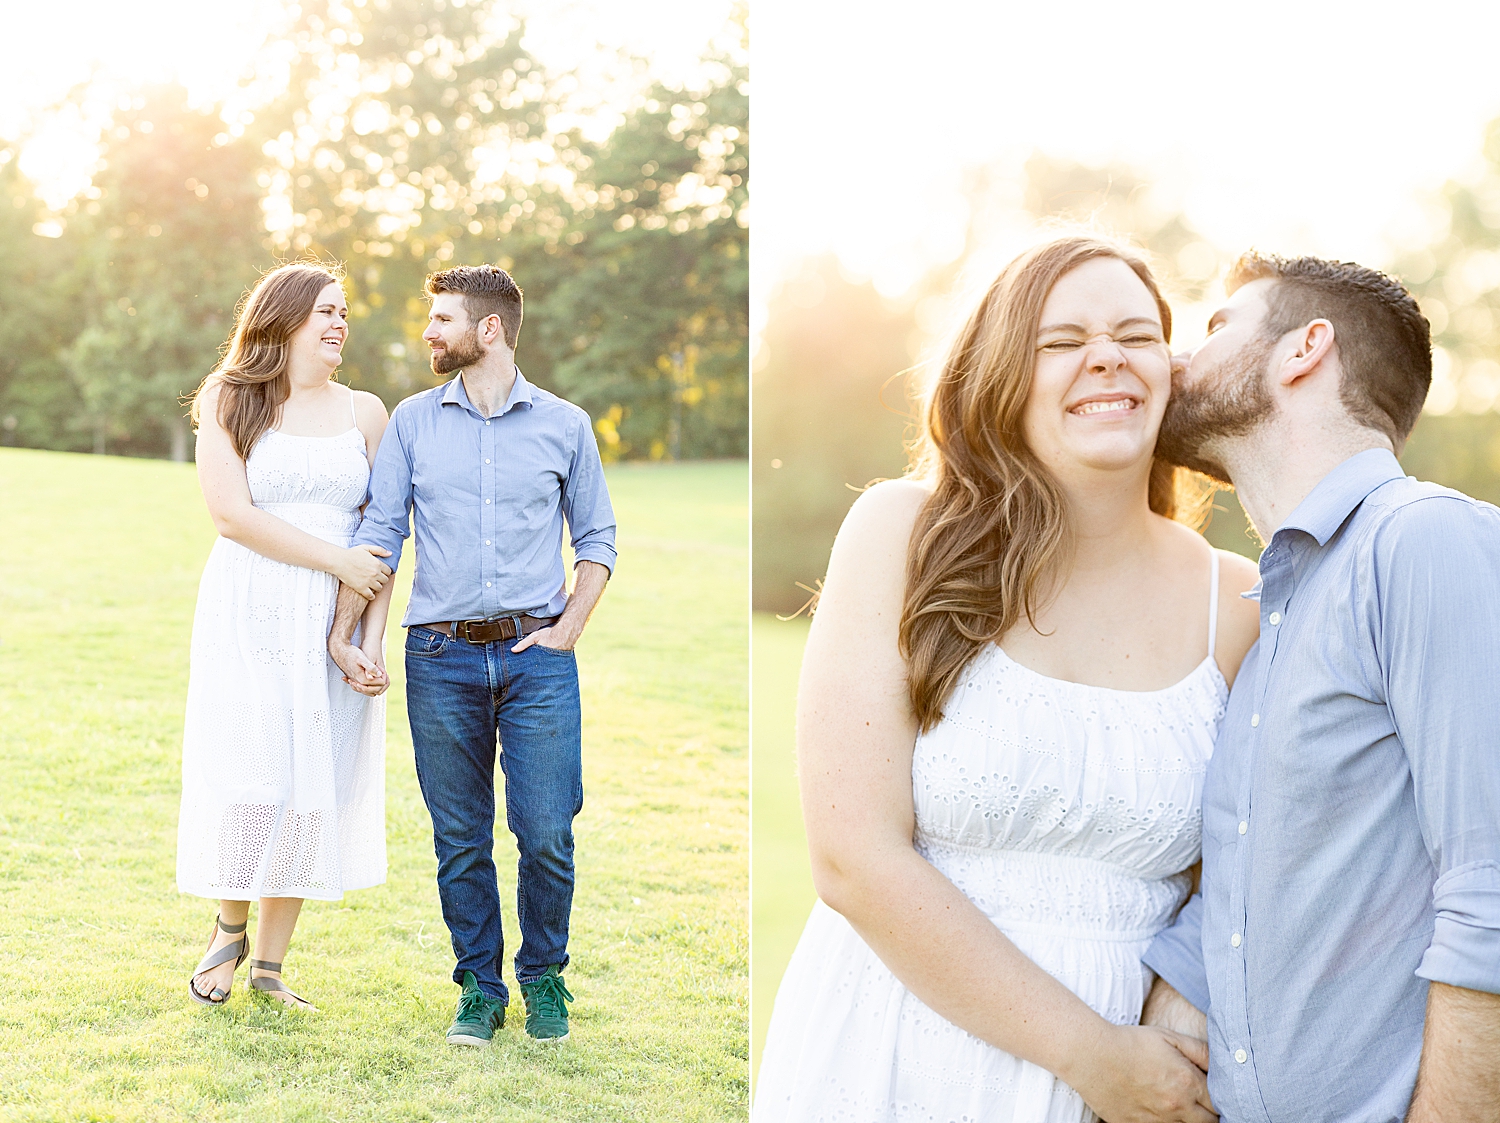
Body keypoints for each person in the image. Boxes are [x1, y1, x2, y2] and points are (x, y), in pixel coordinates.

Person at [755, 235, 1261, 1122]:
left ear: (1169, 373)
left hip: (1138, 1083)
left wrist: (1146, 1051)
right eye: (1059, 341)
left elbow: (1238, 875)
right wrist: (1089, 1054)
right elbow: (852, 857)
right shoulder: (901, 533)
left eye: (1137, 335)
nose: (1105, 354)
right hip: (896, 1044)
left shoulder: (1237, 601)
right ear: (1000, 376)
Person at [1140, 253, 1500, 1121]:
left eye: (1219, 325)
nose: (1177, 359)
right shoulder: (1276, 612)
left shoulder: (1423, 541)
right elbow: (1250, 884)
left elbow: (1491, 885)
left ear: (1305, 348)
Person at [326, 264, 616, 1047]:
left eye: (443, 319)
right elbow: (380, 532)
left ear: (489, 330)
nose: (428, 332)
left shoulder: (566, 425)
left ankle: (545, 975)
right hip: (440, 659)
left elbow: (597, 540)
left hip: (538, 659)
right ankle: (480, 989)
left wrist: (569, 629)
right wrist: (345, 633)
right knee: (460, 837)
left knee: (548, 828)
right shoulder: (414, 423)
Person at [180, 262, 395, 1010]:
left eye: (345, 313)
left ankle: (270, 965)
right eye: (327, 312)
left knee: (315, 783)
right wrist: (334, 557)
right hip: (250, 608)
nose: (340, 325)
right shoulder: (232, 398)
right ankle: (227, 926)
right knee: (254, 774)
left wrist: (369, 637)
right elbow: (231, 514)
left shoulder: (368, 413)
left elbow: (384, 538)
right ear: (286, 317)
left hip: (333, 619)